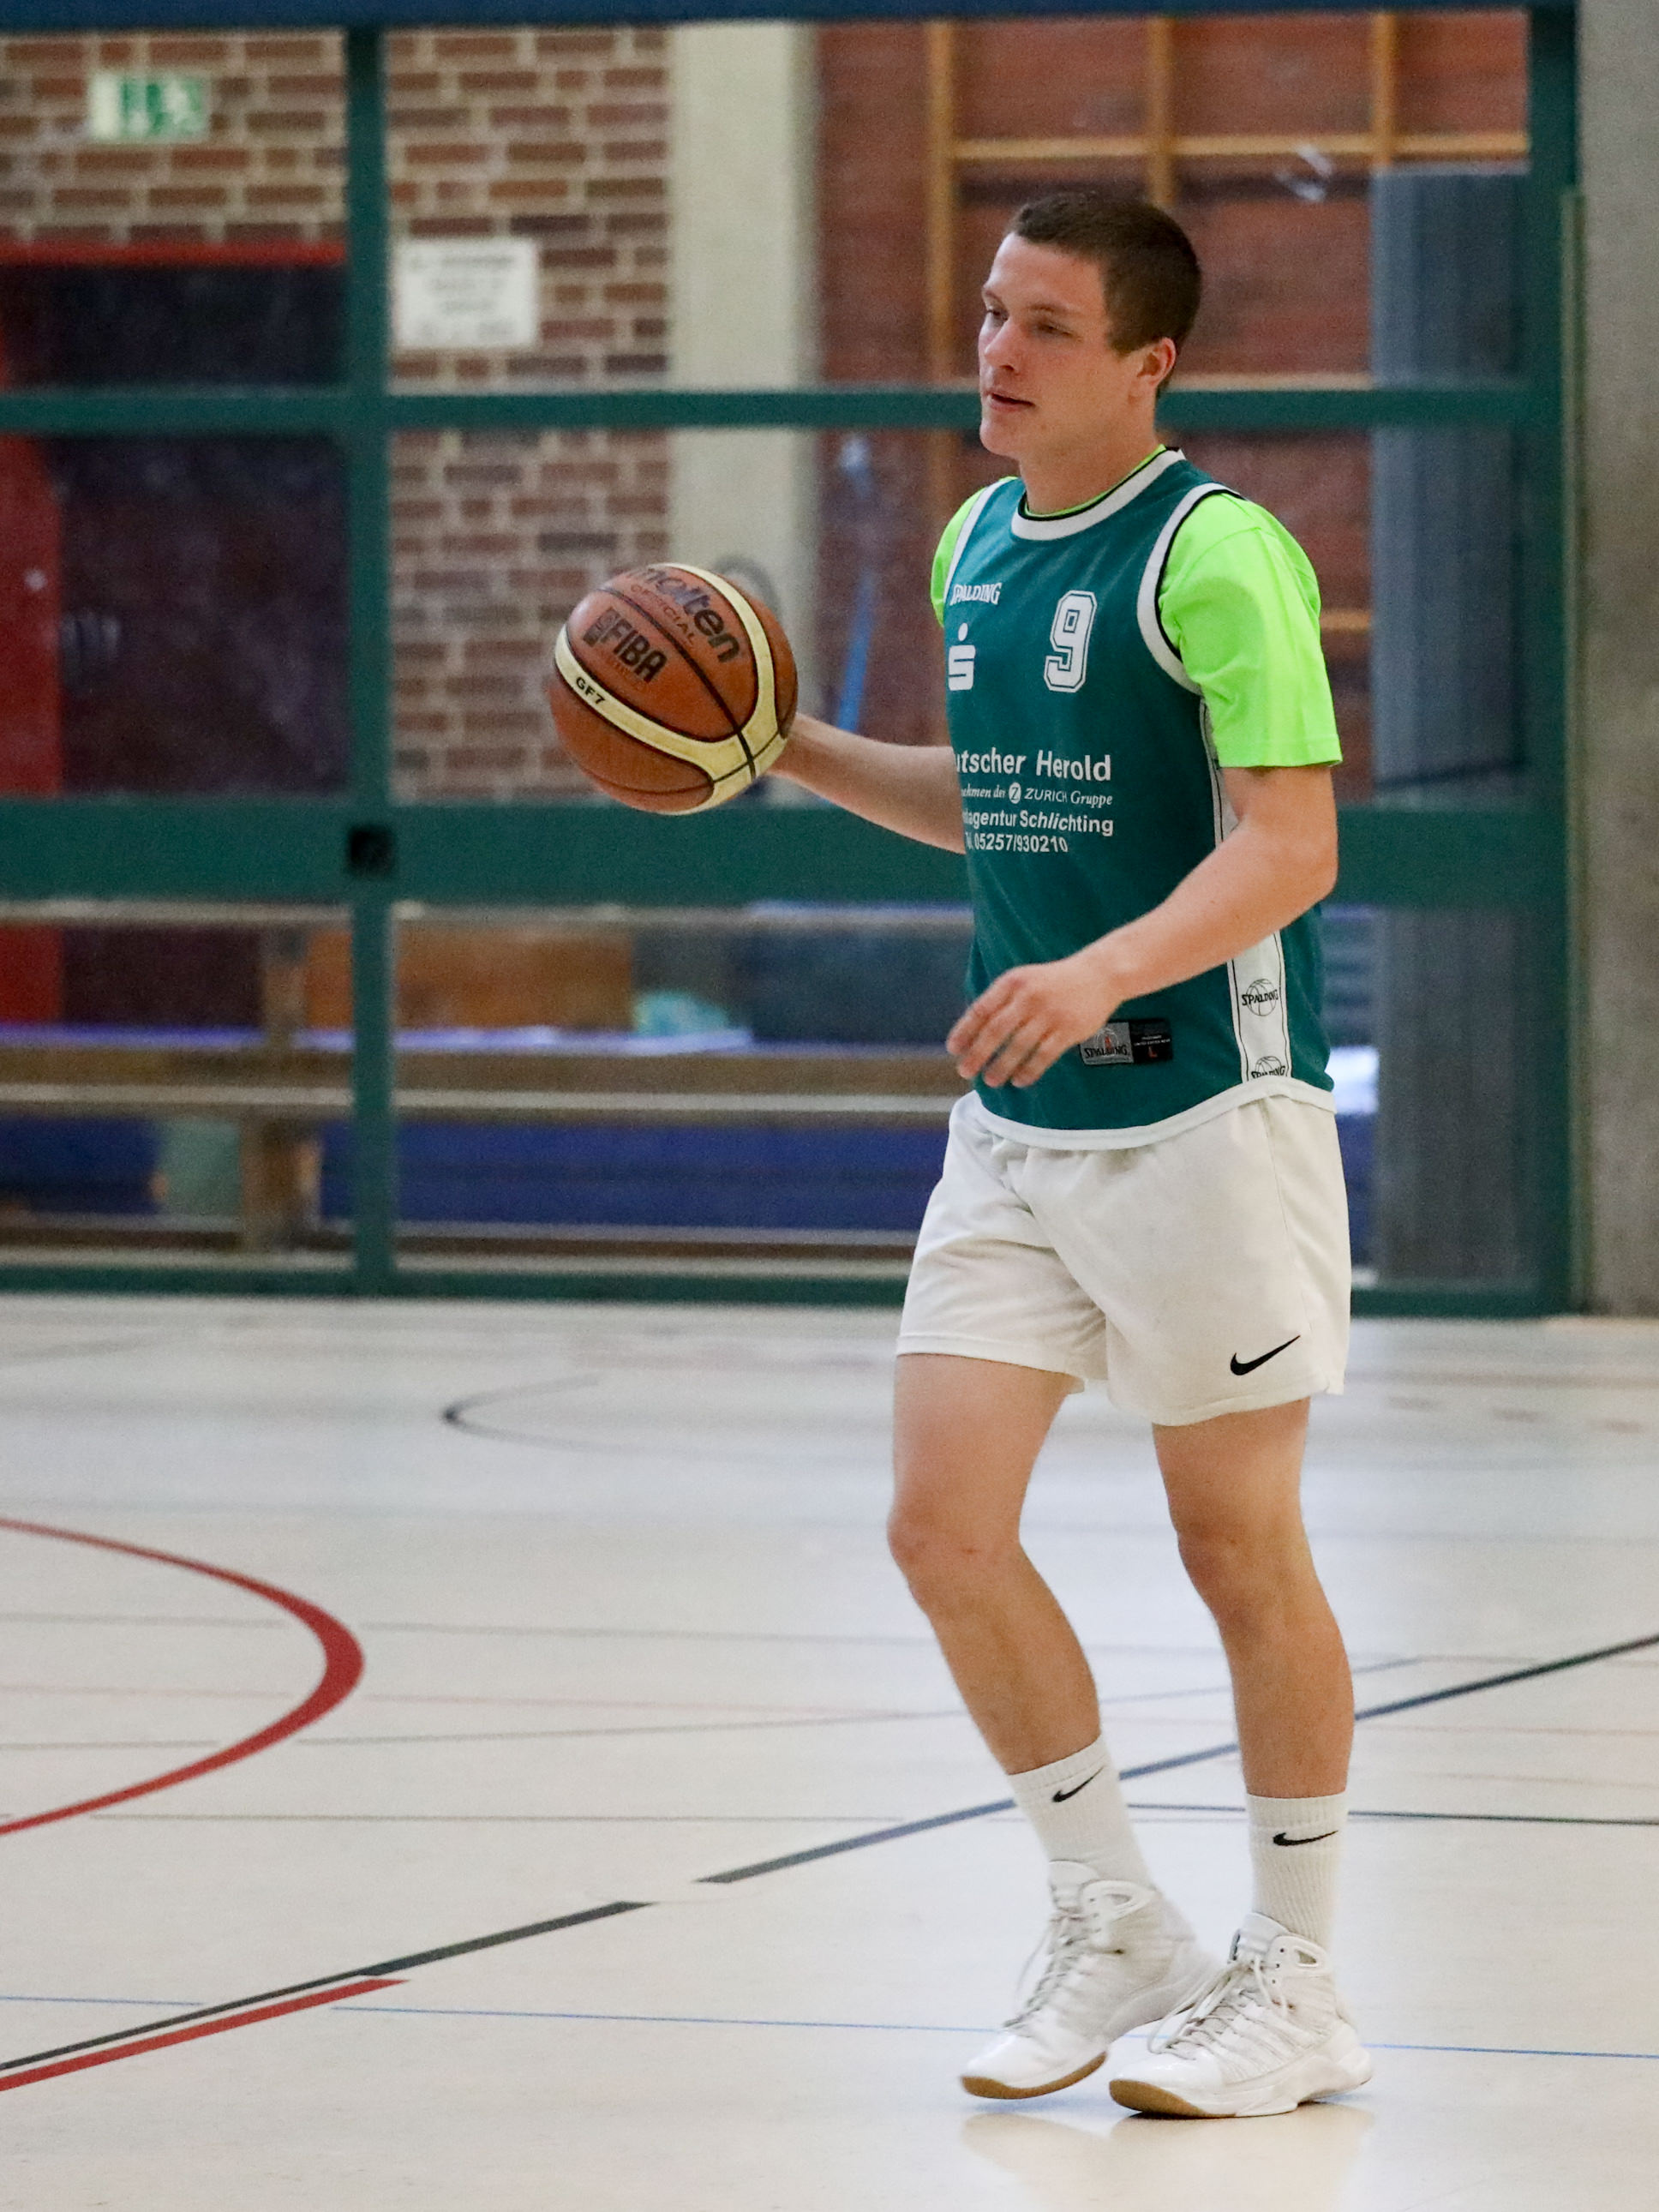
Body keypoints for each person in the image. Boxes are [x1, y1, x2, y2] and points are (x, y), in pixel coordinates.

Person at [772, 189, 1370, 2121]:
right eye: (987, 312)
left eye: (1043, 325)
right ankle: (1112, 1912)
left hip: (1206, 1109)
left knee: (1235, 1545)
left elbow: (1288, 842)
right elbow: (1001, 798)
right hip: (1018, 1125)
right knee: (940, 1525)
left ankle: (1298, 1980)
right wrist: (785, 743)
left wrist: (1098, 965)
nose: (997, 351)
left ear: (1146, 365)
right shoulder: (974, 545)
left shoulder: (1219, 556)